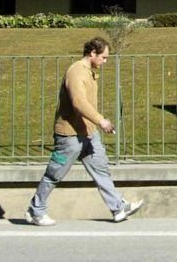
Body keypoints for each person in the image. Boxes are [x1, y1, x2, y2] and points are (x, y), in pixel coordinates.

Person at [25, 37, 143, 225]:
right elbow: (78, 102)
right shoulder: (76, 72)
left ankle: (118, 207)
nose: (105, 61)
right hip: (69, 135)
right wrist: (101, 120)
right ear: (92, 53)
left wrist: (95, 125)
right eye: (103, 57)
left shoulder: (88, 72)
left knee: (101, 170)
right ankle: (35, 210)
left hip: (88, 134)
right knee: (54, 174)